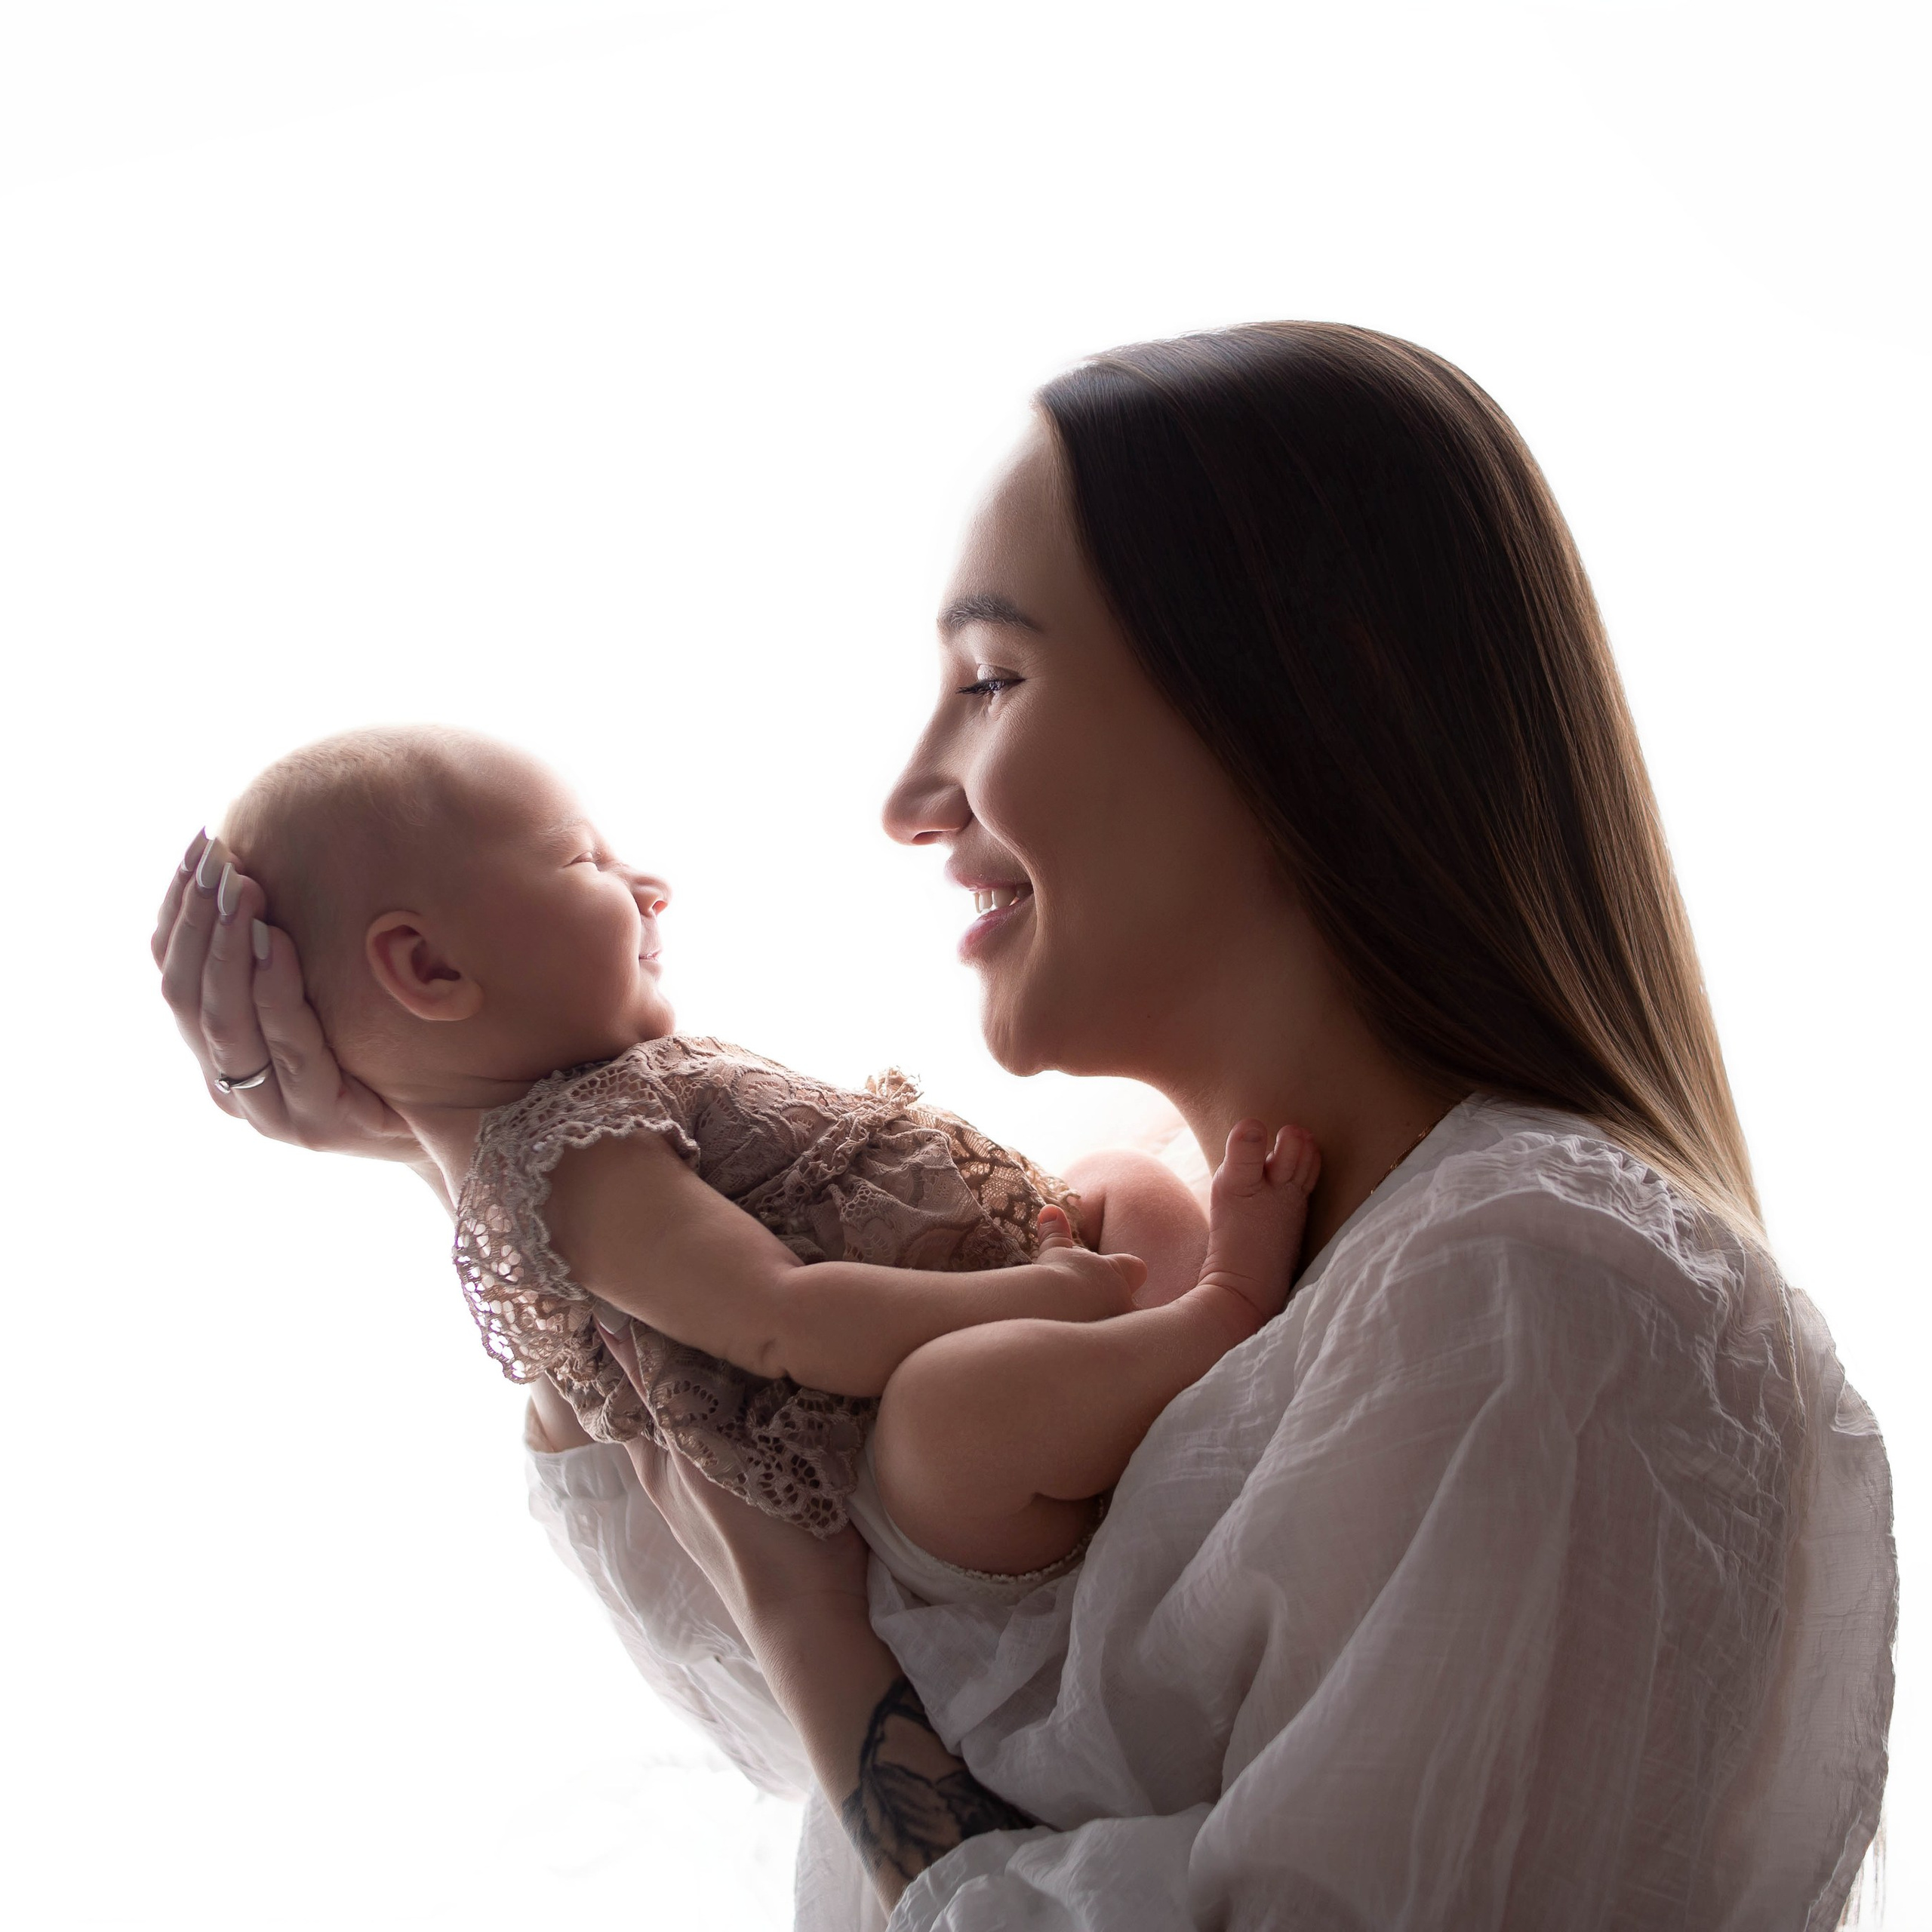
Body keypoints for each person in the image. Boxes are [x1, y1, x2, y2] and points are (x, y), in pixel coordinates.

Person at [156, 321, 1895, 1929]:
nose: (908, 798)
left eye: (988, 678)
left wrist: (819, 1647)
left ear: (1304, 706)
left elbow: (864, 1738)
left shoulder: (1535, 1297)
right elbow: (810, 1725)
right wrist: (458, 1147)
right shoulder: (1259, 1268)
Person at [187, 724, 1313, 1599]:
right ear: (429, 967)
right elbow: (783, 1318)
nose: (650, 884)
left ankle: (1171, 1344)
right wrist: (1043, 1292)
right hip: (938, 1484)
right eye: (586, 859)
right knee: (950, 1409)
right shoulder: (573, 1171)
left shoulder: (624, 1095)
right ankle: (1222, 1310)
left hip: (1026, 1314)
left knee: (1123, 1185)